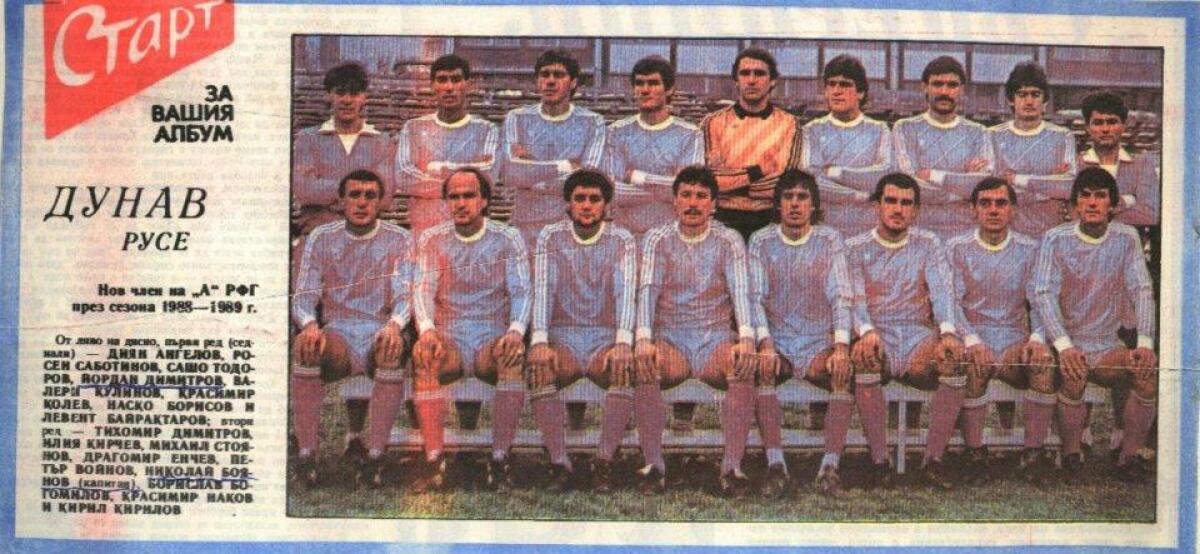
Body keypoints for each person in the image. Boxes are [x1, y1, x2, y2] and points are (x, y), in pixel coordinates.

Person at [293, 63, 398, 454]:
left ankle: (356, 432)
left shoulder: (381, 140)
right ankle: (305, 433)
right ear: (329, 96)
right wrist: (353, 191)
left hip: (366, 248)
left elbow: (386, 195)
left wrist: (336, 193)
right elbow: (302, 188)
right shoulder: (308, 138)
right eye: (340, 92)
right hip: (318, 243)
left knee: (365, 325)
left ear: (364, 96)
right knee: (309, 331)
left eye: (354, 92)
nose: (347, 100)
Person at [636, 166, 758, 496]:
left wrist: (747, 337)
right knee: (646, 364)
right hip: (671, 337)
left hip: (713, 338)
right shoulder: (657, 239)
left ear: (713, 204)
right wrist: (643, 338)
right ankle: (653, 466)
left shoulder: (729, 240)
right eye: (686, 195)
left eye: (702, 196)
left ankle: (732, 467)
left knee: (741, 364)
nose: (693, 203)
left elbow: (741, 290)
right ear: (674, 201)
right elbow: (647, 290)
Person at [1032, 167, 1158, 483]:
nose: (1091, 203)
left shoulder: (1126, 237)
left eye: (1100, 196)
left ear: (1112, 205)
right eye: (1085, 196)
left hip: (1107, 344)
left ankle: (1128, 457)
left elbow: (1141, 290)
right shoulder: (1055, 238)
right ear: (1074, 204)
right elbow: (1043, 294)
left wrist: (1144, 344)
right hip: (1068, 341)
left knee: (1145, 373)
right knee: (1073, 375)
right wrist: (1064, 346)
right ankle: (1071, 455)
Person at [410, 168, 531, 491]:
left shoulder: (508, 237)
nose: (461, 203)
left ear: (484, 201)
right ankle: (434, 458)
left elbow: (521, 291)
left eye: (469, 196)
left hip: (490, 335)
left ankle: (500, 458)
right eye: (454, 197)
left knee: (511, 356)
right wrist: (427, 330)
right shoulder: (432, 238)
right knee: (425, 355)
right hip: (448, 335)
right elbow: (422, 288)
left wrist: (515, 331)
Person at [290, 169, 413, 487]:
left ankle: (375, 455)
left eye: (370, 196)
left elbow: (406, 295)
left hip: (379, 331)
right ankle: (306, 453)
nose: (362, 202)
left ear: (381, 202)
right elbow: (303, 296)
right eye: (354, 195)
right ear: (341, 201)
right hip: (339, 333)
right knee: (306, 345)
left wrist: (395, 325)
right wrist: (310, 325)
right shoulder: (321, 237)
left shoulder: (400, 239)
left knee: (391, 348)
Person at [846, 173, 965, 489]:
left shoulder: (929, 244)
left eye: (906, 203)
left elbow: (942, 291)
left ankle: (933, 461)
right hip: (878, 334)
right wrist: (866, 331)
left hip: (916, 336)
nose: (898, 209)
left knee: (952, 358)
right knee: (865, 358)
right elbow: (854, 300)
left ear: (916, 211)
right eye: (890, 201)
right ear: (877, 206)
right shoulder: (855, 247)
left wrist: (948, 332)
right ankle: (879, 462)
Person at [529, 169, 638, 491]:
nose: (587, 206)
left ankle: (604, 461)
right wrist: (539, 341)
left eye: (594, 199)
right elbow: (543, 290)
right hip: (564, 335)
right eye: (580, 199)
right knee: (540, 368)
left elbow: (625, 293)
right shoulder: (550, 236)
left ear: (607, 206)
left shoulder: (622, 239)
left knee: (623, 368)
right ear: (568, 204)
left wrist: (623, 342)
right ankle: (558, 462)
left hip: (604, 336)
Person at [945, 177, 1056, 485]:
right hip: (974, 336)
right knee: (972, 364)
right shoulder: (956, 248)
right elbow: (950, 303)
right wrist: (971, 340)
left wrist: (1037, 339)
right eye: (985, 203)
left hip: (1013, 339)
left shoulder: (1030, 249)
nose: (993, 210)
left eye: (1001, 203)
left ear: (1013, 210)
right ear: (973, 209)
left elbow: (1041, 300)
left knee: (1042, 362)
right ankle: (974, 453)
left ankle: (1033, 454)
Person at [748, 170, 852, 497]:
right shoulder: (761, 240)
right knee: (762, 369)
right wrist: (765, 344)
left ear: (813, 205)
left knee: (842, 372)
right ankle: (775, 464)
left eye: (802, 197)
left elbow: (841, 295)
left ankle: (829, 467)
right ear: (778, 205)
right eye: (788, 197)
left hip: (818, 341)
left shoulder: (830, 240)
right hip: (778, 342)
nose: (795, 204)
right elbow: (754, 298)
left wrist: (841, 347)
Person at [1076, 91, 1161, 457]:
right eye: (1098, 122)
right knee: (1085, 341)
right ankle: (1078, 433)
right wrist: (1126, 201)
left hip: (1127, 266)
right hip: (1083, 268)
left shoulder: (1141, 164)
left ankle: (1124, 435)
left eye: (1112, 121)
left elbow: (1151, 212)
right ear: (1088, 126)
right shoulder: (1077, 163)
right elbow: (1072, 212)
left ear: (1123, 126)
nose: (1105, 128)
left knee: (1127, 345)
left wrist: (1105, 209)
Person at [501, 49, 606, 245]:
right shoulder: (517, 118)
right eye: (545, 74)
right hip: (525, 226)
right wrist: (566, 166)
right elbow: (511, 172)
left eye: (558, 75)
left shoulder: (593, 122)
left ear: (573, 82)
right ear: (537, 81)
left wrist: (531, 172)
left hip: (569, 229)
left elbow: (587, 180)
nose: (550, 81)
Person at [701, 47, 803, 241]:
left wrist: (732, 183)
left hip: (771, 219)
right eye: (745, 73)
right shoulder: (712, 123)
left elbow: (785, 183)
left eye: (760, 73)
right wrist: (757, 172)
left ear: (773, 81)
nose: (752, 80)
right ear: (736, 81)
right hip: (722, 219)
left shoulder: (790, 124)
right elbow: (709, 181)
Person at [395, 54, 500, 240]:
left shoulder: (487, 129)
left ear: (468, 85)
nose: (449, 87)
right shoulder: (413, 128)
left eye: (456, 79)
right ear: (432, 85)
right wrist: (466, 176)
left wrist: (435, 168)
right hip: (425, 231)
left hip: (470, 235)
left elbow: (488, 175)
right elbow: (404, 177)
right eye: (442, 80)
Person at [893, 56, 993, 240]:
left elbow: (983, 187)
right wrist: (963, 188)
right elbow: (910, 186)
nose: (944, 91)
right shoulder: (905, 128)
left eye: (952, 85)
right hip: (917, 230)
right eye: (937, 84)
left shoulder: (978, 132)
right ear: (924, 87)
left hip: (966, 232)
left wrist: (933, 176)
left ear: (962, 89)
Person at [603, 56, 705, 237]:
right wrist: (665, 189)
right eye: (639, 83)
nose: (645, 90)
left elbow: (690, 191)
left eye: (653, 83)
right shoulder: (616, 132)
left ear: (669, 89)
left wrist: (636, 177)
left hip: (672, 237)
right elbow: (611, 191)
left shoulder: (690, 134)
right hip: (624, 235)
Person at [800, 54, 893, 237]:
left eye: (845, 85)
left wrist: (835, 172)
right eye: (831, 84)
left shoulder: (880, 130)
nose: (837, 91)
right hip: (823, 230)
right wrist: (860, 195)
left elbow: (884, 175)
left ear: (861, 93)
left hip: (868, 230)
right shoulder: (811, 130)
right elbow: (812, 182)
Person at [988, 61, 1077, 237]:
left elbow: (1067, 188)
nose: (1029, 101)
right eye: (1022, 94)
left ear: (1044, 100)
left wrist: (1016, 180)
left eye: (1035, 94)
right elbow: (992, 190)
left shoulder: (1063, 136)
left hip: (1050, 232)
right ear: (1011, 100)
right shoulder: (992, 136)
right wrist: (1047, 187)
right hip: (1006, 234)